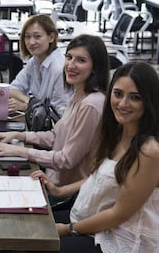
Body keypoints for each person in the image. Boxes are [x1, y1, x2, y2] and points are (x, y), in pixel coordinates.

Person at [32, 61, 159, 253]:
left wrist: (68, 230)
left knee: (36, 243)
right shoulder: (117, 132)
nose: (123, 104)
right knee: (30, 224)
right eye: (118, 94)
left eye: (135, 97)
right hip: (93, 222)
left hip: (120, 239)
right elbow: (99, 178)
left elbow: (119, 214)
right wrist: (58, 191)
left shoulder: (148, 151)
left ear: (149, 101)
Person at [0, 34, 110, 189]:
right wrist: (19, 136)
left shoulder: (91, 104)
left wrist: (19, 151)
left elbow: (66, 159)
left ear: (95, 67)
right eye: (69, 57)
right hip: (51, 177)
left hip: (63, 191)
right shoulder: (79, 94)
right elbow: (55, 136)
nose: (71, 65)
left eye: (81, 60)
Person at [8, 14, 71, 115]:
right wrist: (30, 102)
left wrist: (27, 106)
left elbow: (59, 112)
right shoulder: (34, 61)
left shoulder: (59, 68)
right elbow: (12, 88)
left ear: (51, 37)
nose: (31, 42)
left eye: (37, 36)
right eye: (27, 37)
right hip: (40, 121)